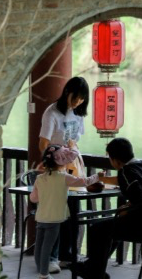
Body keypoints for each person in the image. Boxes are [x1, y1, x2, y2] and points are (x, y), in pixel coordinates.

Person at [77, 138, 142, 279]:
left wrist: (126, 210)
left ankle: (94, 272)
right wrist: (129, 204)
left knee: (97, 229)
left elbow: (139, 197)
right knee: (111, 228)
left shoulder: (125, 171)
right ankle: (93, 268)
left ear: (116, 161)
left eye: (110, 158)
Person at [39, 76, 89, 271]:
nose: (78, 102)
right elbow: (43, 143)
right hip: (56, 166)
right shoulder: (52, 113)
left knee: (73, 212)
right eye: (75, 97)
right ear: (67, 92)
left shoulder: (78, 114)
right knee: (56, 213)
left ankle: (66, 255)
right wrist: (50, 163)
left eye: (82, 99)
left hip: (73, 165)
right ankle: (51, 258)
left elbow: (75, 141)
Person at [30, 145, 103, 279]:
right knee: (47, 247)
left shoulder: (39, 178)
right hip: (55, 218)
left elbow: (33, 198)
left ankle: (41, 270)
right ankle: (44, 274)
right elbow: (84, 182)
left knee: (39, 246)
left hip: (41, 217)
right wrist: (97, 176)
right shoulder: (64, 177)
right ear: (62, 162)